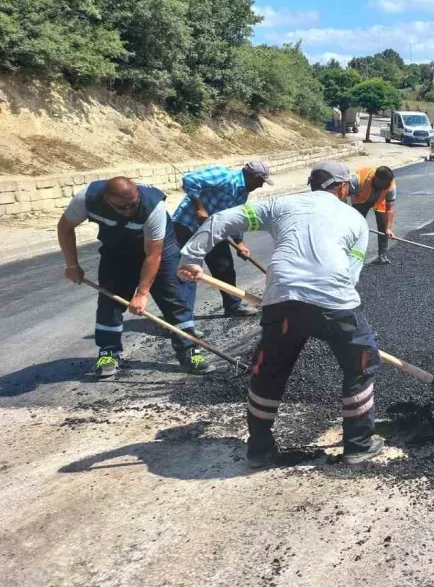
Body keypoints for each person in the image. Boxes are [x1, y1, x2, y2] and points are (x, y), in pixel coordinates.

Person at [178, 161, 384, 468]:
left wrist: (190, 257)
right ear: (341, 188)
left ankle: (260, 449)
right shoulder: (354, 219)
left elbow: (221, 220)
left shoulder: (279, 205)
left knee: (270, 370)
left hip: (284, 300)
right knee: (360, 365)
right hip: (336, 303)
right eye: (347, 189)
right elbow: (352, 274)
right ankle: (358, 444)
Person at [57, 177, 209, 377]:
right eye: (124, 207)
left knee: (174, 298)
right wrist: (72, 264)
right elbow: (65, 227)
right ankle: (108, 352)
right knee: (109, 301)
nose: (130, 210)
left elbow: (153, 255)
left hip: (161, 251)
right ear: (107, 200)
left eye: (134, 204)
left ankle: (189, 351)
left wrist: (142, 293)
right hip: (117, 251)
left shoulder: (152, 206)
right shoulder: (87, 198)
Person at [172, 162, 273, 317]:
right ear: (253, 177)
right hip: (187, 225)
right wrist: (199, 208)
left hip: (214, 230)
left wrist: (240, 243)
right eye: (261, 182)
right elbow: (189, 180)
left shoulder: (242, 193)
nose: (260, 186)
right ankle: (182, 319)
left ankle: (233, 306)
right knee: (187, 271)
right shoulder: (224, 175)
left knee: (224, 267)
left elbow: (233, 218)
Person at [348, 166, 397, 265]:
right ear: (377, 179)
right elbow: (342, 194)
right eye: (385, 184)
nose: (387, 186)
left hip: (379, 202)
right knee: (355, 227)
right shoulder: (357, 179)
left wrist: (389, 228)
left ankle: (382, 256)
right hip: (360, 201)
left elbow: (390, 208)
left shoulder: (390, 186)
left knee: (383, 226)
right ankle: (350, 255)